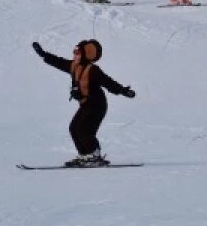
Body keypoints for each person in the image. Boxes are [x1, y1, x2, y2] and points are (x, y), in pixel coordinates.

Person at [31, 38, 135, 167]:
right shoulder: (74, 66)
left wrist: (124, 91)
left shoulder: (93, 70)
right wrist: (43, 54)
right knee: (74, 128)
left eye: (77, 52)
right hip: (86, 105)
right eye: (74, 51)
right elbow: (58, 62)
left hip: (97, 105)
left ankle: (94, 155)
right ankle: (85, 155)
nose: (74, 54)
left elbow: (108, 82)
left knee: (84, 130)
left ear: (85, 54)